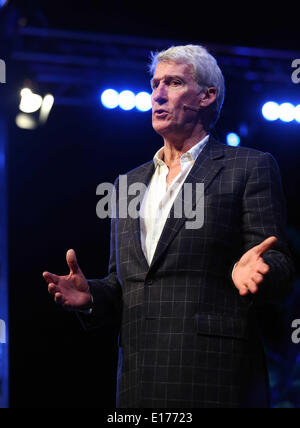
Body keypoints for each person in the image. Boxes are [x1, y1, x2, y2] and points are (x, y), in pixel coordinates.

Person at [43, 45, 294, 408]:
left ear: (208, 96)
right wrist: (92, 297)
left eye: (173, 82)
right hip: (139, 382)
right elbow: (125, 285)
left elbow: (282, 266)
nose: (157, 94)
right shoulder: (127, 184)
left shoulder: (249, 167)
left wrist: (260, 269)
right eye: (155, 83)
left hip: (215, 379)